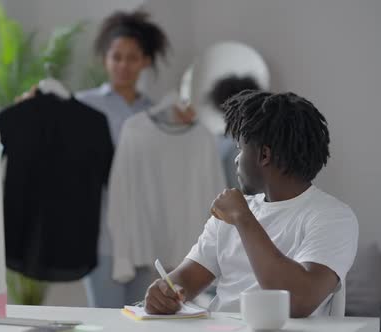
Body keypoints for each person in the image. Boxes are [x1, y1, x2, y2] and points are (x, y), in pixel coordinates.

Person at [144, 90, 359, 318]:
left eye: (240, 147)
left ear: (264, 155)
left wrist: (244, 219)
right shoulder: (234, 211)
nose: (236, 159)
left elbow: (298, 301)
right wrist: (163, 292)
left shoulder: (332, 217)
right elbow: (187, 279)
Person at [75, 10, 193, 308]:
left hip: (148, 235)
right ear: (106, 58)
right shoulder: (83, 106)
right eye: (117, 57)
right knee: (107, 319)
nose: (124, 65)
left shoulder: (158, 114)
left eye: (132, 57)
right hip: (102, 235)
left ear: (146, 61)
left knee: (145, 317)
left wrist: (185, 128)